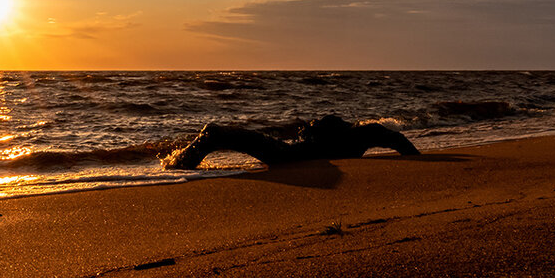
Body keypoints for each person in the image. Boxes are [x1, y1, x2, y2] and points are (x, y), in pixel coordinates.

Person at [161, 114, 418, 170]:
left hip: (295, 157)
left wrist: (415, 157)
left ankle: (180, 164)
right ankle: (181, 163)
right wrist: (413, 156)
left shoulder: (361, 133)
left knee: (219, 136)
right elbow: (399, 141)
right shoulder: (361, 134)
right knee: (219, 136)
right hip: (295, 154)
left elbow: (397, 140)